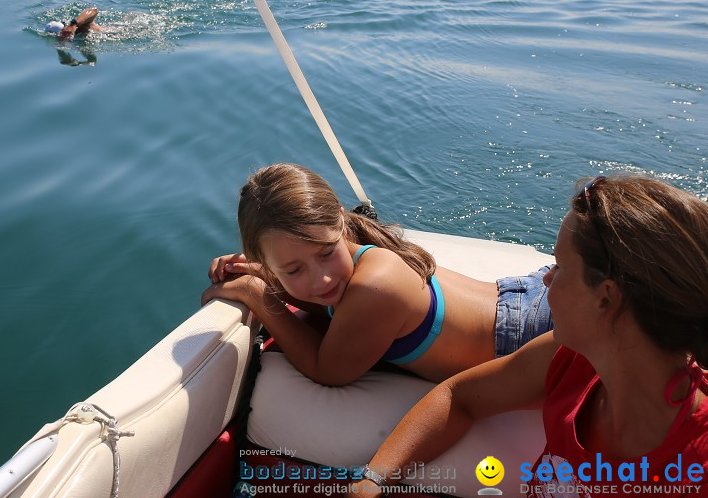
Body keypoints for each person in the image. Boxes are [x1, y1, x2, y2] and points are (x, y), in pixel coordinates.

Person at [353, 174, 708, 495]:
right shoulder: (569, 359)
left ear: (607, 298)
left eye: (560, 267)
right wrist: (373, 480)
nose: (547, 279)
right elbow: (458, 397)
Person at [202, 163, 554, 387]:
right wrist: (261, 273)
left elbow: (328, 370)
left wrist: (256, 293)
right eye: (293, 269)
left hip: (531, 331)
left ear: (340, 221)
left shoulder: (376, 285)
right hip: (524, 295)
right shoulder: (352, 255)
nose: (321, 280)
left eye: (326, 253)